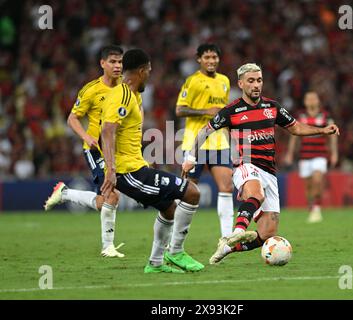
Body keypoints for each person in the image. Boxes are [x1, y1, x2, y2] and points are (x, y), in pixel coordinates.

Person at [182, 63, 340, 264]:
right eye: (251, 81)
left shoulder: (272, 107)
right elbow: (204, 131)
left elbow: (296, 128)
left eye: (259, 80)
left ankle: (228, 247)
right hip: (245, 166)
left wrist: (322, 130)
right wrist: (190, 158)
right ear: (240, 83)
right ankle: (237, 231)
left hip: (269, 171)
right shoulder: (231, 110)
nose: (256, 85)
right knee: (256, 194)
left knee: (267, 233)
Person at [100, 48, 204, 273]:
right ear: (140, 70)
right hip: (128, 172)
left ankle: (155, 264)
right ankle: (176, 252)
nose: (149, 75)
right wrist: (111, 169)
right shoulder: (124, 94)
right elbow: (107, 130)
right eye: (148, 71)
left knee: (169, 208)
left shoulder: (132, 95)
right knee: (192, 192)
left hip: (136, 167)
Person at [44, 45, 125, 258]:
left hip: (118, 151)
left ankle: (66, 193)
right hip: (96, 149)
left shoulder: (125, 89)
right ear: (102, 64)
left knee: (105, 202)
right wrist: (86, 136)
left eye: (120, 62)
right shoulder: (91, 90)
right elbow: (72, 118)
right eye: (113, 62)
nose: (117, 66)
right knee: (112, 196)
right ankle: (108, 247)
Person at [176, 43, 234, 237]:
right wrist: (205, 112)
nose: (211, 61)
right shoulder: (192, 81)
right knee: (187, 191)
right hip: (196, 143)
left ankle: (226, 238)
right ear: (199, 59)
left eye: (214, 57)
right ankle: (174, 237)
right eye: (207, 57)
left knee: (227, 187)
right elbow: (180, 109)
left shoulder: (225, 81)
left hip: (219, 142)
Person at [284, 91, 338, 223]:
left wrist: (334, 153)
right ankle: (312, 207)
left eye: (314, 98)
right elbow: (293, 136)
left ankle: (317, 208)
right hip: (305, 155)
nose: (311, 101)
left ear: (318, 101)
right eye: (309, 99)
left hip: (320, 154)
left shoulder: (326, 116)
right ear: (305, 101)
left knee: (318, 180)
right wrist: (290, 153)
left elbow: (333, 135)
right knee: (308, 186)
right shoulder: (300, 116)